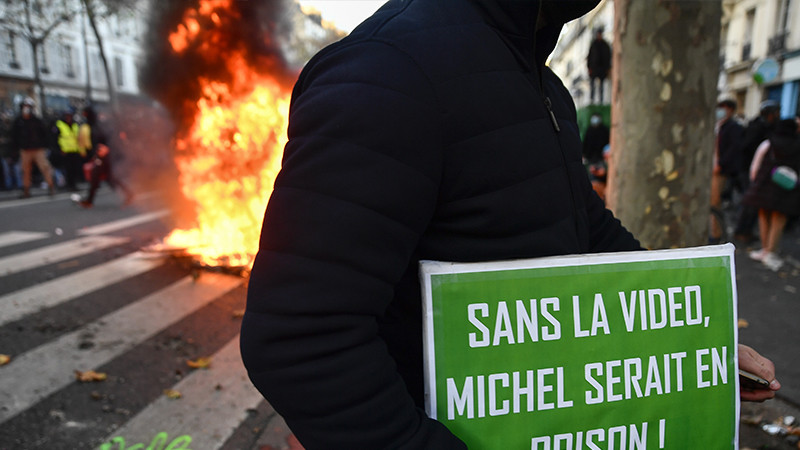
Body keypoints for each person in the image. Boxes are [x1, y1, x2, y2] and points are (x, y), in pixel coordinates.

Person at [240, 1, 781, 448]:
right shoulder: (389, 69)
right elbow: (300, 335)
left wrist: (692, 346)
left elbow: (584, 228)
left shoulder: (541, 84)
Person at [742, 119, 800, 271]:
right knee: (778, 220)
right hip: (788, 189)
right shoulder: (797, 145)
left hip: (765, 187)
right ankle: (771, 251)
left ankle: (764, 249)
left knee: (763, 216)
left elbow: (755, 165)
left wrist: (755, 183)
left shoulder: (769, 143)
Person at [734, 100, 781, 243]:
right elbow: (746, 148)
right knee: (750, 203)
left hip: (755, 170)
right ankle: (741, 231)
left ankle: (746, 230)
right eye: (776, 112)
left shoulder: (768, 127)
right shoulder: (758, 128)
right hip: (749, 170)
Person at [75, 106, 133, 208]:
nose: (83, 115)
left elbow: (108, 138)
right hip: (100, 154)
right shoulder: (91, 124)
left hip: (104, 155)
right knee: (109, 178)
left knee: (96, 176)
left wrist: (106, 148)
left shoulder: (98, 124)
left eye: (85, 113)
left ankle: (89, 201)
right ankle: (129, 194)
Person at [710, 99, 745, 243]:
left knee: (714, 203)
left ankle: (716, 236)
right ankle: (714, 233)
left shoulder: (734, 127)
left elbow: (734, 149)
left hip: (720, 171)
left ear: (730, 110)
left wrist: (721, 165)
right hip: (713, 168)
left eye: (723, 108)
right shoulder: (718, 126)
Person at [9, 97, 56, 198]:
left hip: (38, 149)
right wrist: (14, 151)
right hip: (25, 150)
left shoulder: (37, 120)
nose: (26, 108)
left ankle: (51, 187)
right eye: (25, 106)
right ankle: (26, 190)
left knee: (45, 168)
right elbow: (14, 137)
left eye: (28, 107)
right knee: (25, 170)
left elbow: (45, 134)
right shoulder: (18, 121)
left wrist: (45, 146)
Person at [54, 107, 86, 192]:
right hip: (65, 151)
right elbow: (56, 139)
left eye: (70, 116)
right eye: (67, 116)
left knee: (74, 169)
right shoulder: (59, 124)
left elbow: (78, 138)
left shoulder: (75, 125)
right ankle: (68, 185)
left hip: (75, 150)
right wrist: (59, 149)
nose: (68, 117)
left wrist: (80, 149)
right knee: (67, 170)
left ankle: (73, 185)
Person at [586, 26, 611, 104]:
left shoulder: (605, 45)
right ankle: (592, 100)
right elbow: (589, 57)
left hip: (602, 68)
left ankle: (601, 100)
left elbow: (608, 57)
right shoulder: (593, 44)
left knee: (601, 86)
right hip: (594, 68)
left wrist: (608, 68)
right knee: (593, 84)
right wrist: (589, 67)